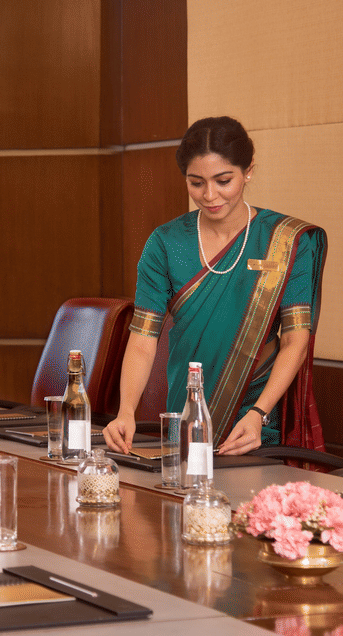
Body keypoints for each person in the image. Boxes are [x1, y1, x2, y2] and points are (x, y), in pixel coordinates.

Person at [103, 116, 327, 456]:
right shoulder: (165, 242)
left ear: (248, 171)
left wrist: (258, 413)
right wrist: (125, 412)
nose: (210, 195)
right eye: (196, 183)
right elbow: (143, 341)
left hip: (256, 412)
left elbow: (295, 340)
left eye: (223, 181)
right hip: (187, 406)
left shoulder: (284, 241)